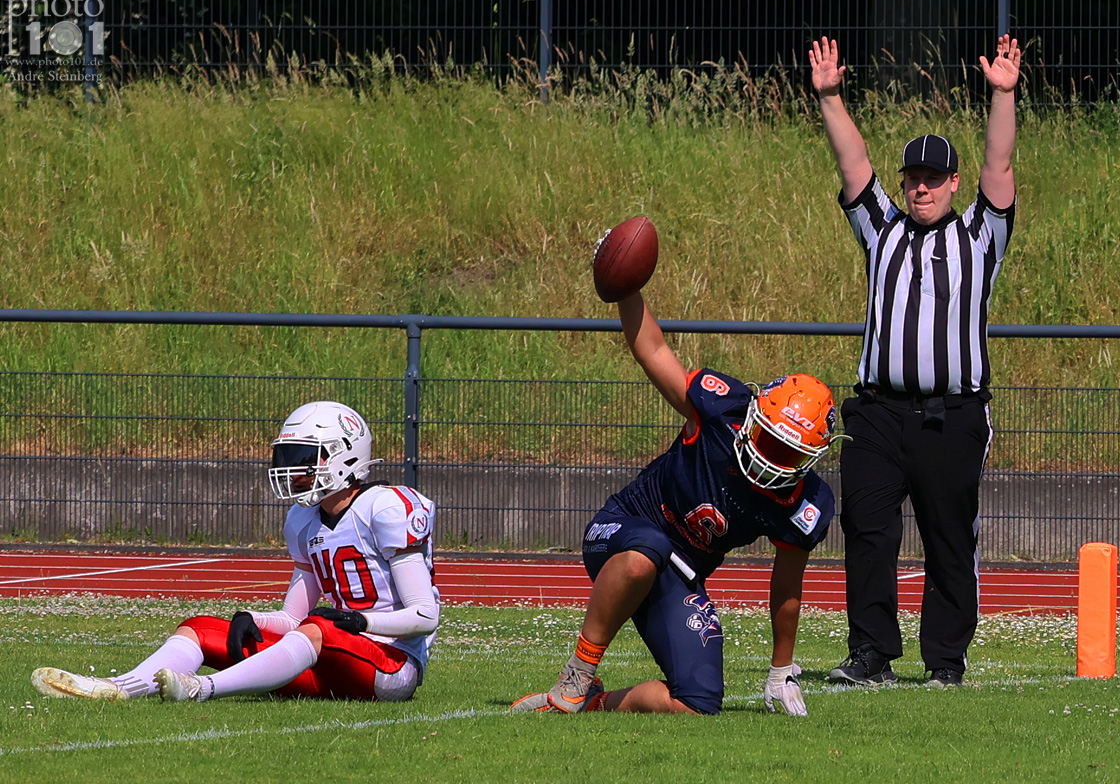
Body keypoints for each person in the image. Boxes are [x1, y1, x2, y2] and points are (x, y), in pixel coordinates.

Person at [511, 285, 843, 716]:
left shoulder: (805, 501)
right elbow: (652, 349)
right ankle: (576, 676)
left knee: (699, 702)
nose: (771, 458)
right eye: (768, 439)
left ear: (813, 457)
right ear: (752, 417)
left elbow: (786, 588)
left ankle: (595, 705)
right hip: (621, 531)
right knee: (647, 550)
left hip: (681, 573)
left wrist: (781, 669)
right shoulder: (719, 412)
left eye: (788, 452)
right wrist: (626, 289)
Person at [808, 35, 1020, 688]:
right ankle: (870, 653)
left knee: (948, 539)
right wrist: (831, 97)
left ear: (954, 183)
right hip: (877, 414)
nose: (922, 188)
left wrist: (1004, 95)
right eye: (914, 178)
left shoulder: (980, 236)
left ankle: (945, 663)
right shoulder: (882, 229)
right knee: (868, 529)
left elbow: (1000, 170)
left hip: (950, 416)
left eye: (934, 178)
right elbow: (853, 164)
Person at [31, 401, 440, 703]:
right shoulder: (302, 521)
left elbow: (425, 616)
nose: (293, 471)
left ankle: (203, 689)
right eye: (289, 459)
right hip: (325, 659)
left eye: (304, 460)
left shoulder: (385, 507)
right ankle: (117, 689)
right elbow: (293, 618)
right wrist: (254, 618)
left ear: (343, 455)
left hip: (390, 666)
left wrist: (354, 620)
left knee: (320, 626)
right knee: (203, 627)